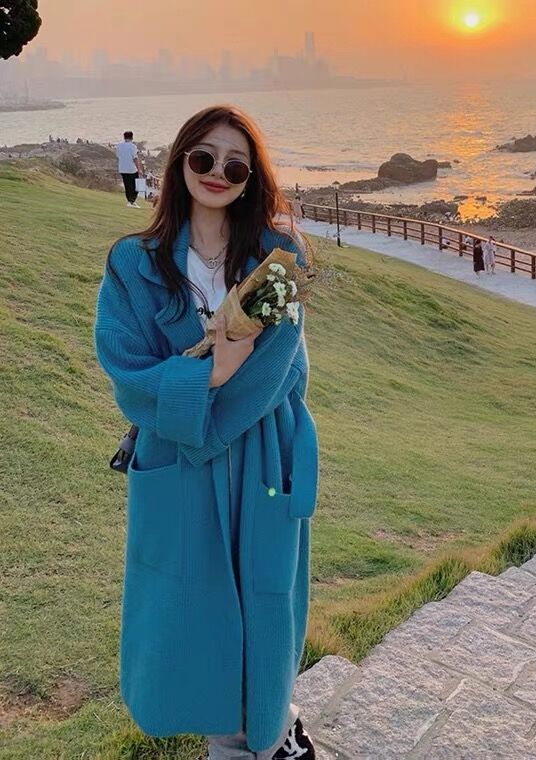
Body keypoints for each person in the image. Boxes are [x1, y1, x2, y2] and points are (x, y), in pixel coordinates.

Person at [94, 105, 318, 760]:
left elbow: (279, 368)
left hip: (260, 455)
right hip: (177, 464)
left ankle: (267, 732)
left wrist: (200, 414)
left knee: (263, 606)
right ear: (180, 163)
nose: (218, 172)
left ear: (251, 179)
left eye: (236, 165)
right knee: (187, 613)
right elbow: (126, 372)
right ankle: (254, 734)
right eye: (204, 157)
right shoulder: (133, 263)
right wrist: (207, 376)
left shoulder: (279, 257)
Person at [116, 130, 144, 208]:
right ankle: (131, 201)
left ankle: (130, 201)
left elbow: (118, 156)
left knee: (127, 186)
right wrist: (139, 169)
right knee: (135, 186)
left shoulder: (119, 146)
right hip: (131, 169)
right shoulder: (133, 146)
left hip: (122, 168)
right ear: (132, 137)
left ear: (124, 137)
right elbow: (135, 158)